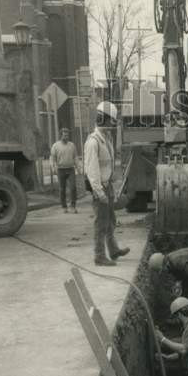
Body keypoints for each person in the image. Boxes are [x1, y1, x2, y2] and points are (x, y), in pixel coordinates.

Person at [83, 101, 130, 267]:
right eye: (111, 121)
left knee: (110, 220)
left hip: (107, 185)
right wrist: (99, 192)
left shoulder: (106, 139)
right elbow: (92, 170)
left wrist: (112, 187)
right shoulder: (93, 142)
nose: (112, 125)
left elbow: (108, 164)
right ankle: (99, 255)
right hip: (100, 188)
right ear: (102, 118)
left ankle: (113, 249)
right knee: (101, 223)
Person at [50, 128, 80, 213]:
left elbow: (75, 157)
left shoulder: (72, 145)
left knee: (73, 187)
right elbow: (52, 158)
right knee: (62, 189)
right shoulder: (55, 146)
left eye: (67, 135)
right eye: (64, 135)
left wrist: (79, 167)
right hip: (61, 169)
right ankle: (64, 206)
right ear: (61, 135)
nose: (66, 137)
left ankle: (73, 206)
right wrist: (53, 167)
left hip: (70, 169)